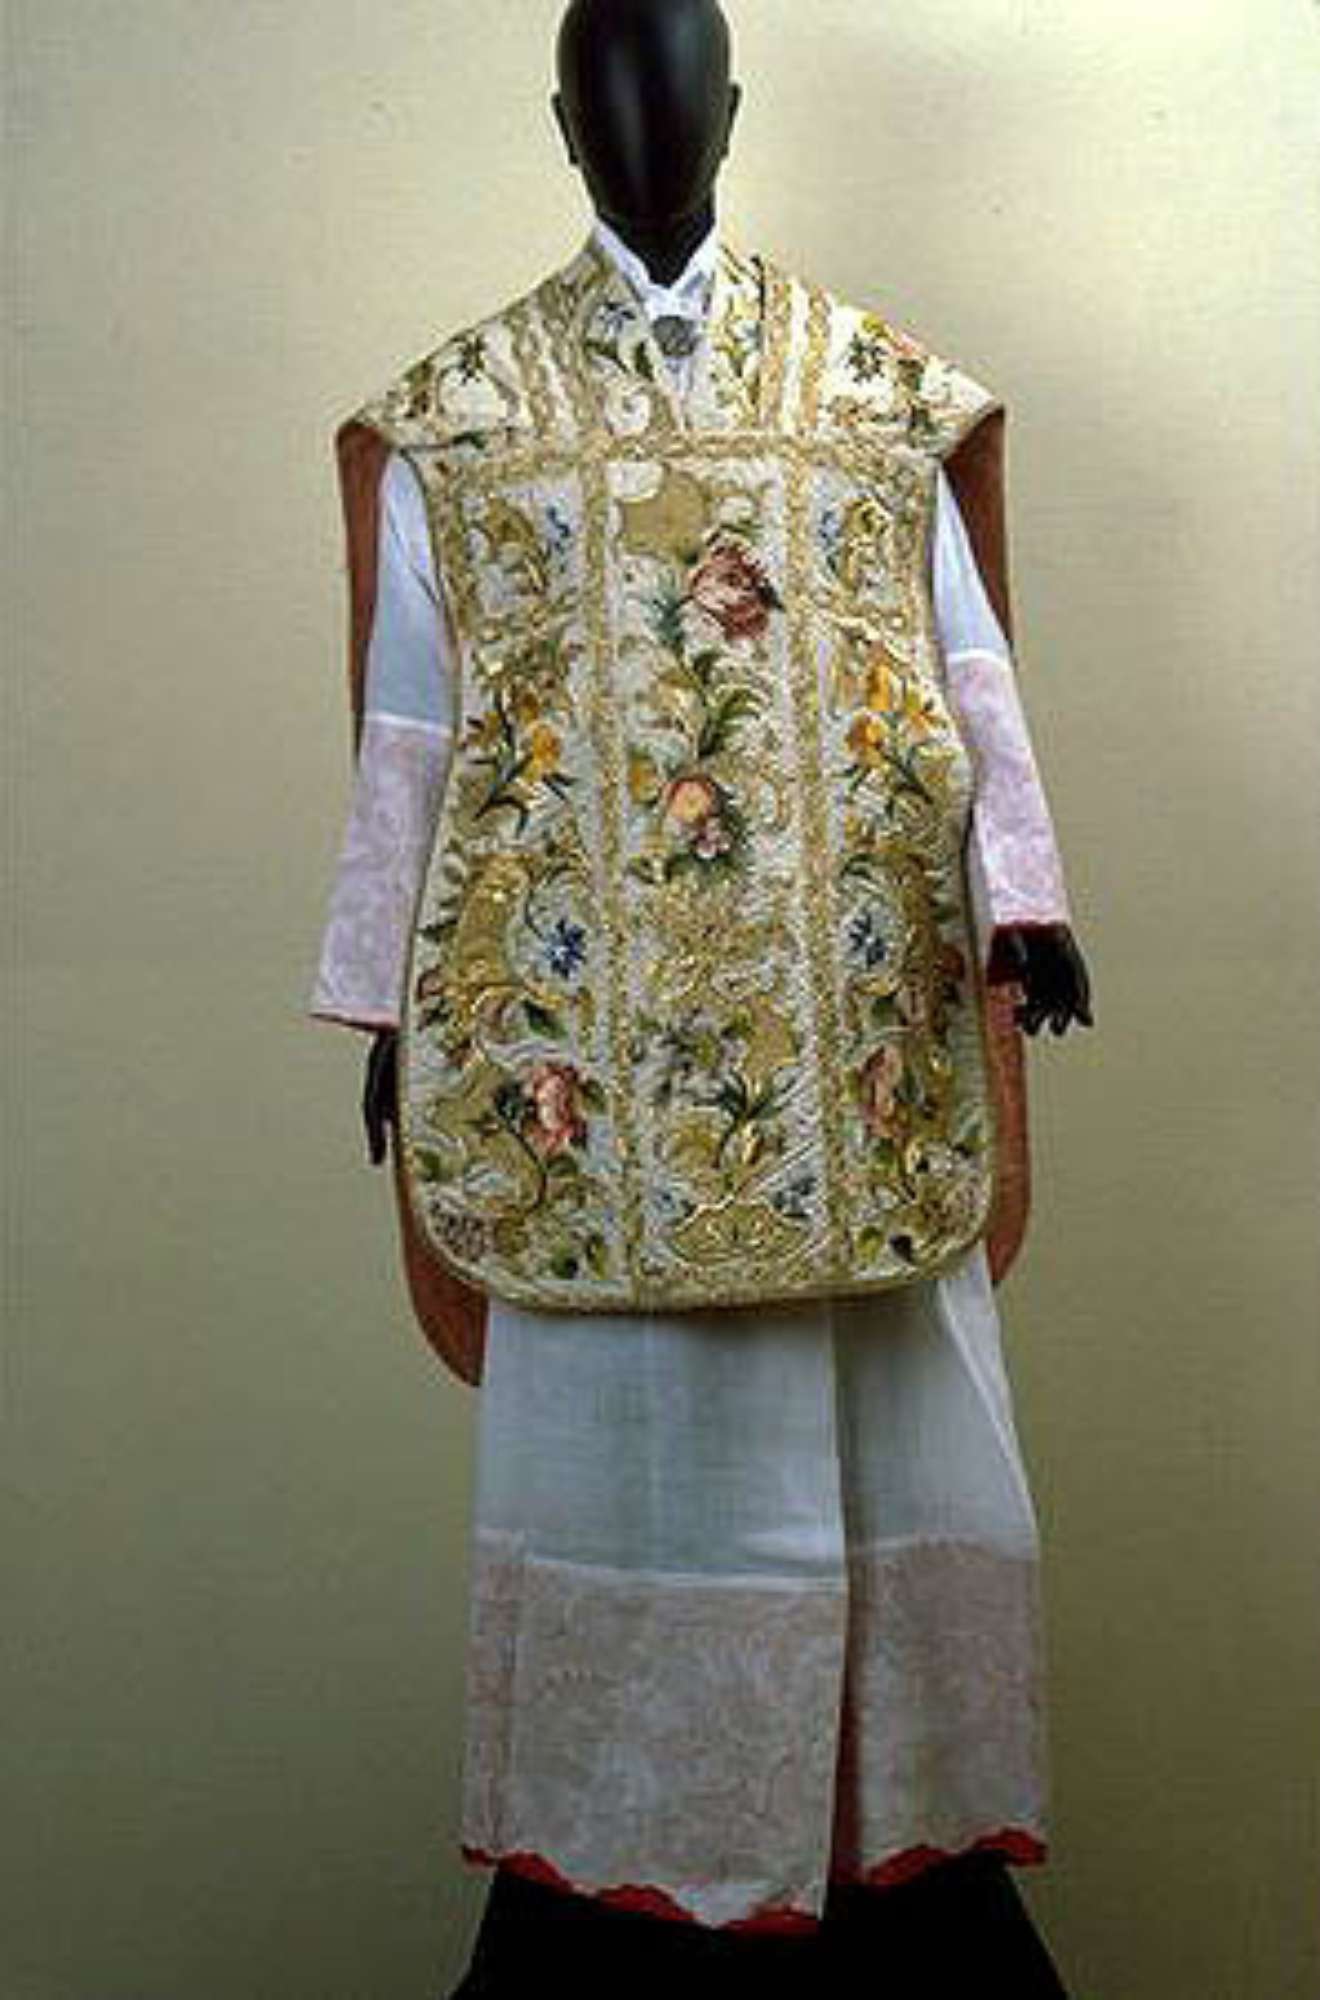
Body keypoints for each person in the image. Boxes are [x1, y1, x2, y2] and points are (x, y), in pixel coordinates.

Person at [309, 3, 1091, 1991]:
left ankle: (882, 1820)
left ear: (730, 112)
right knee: (632, 1471)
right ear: (562, 122)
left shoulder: (871, 394)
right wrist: (392, 998)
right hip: (582, 1077)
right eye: (610, 93)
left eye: (678, 88)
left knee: (885, 1445)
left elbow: (967, 671)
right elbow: (414, 734)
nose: (647, 126)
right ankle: (640, 1832)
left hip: (855, 1044)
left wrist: (1025, 902)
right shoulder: (463, 417)